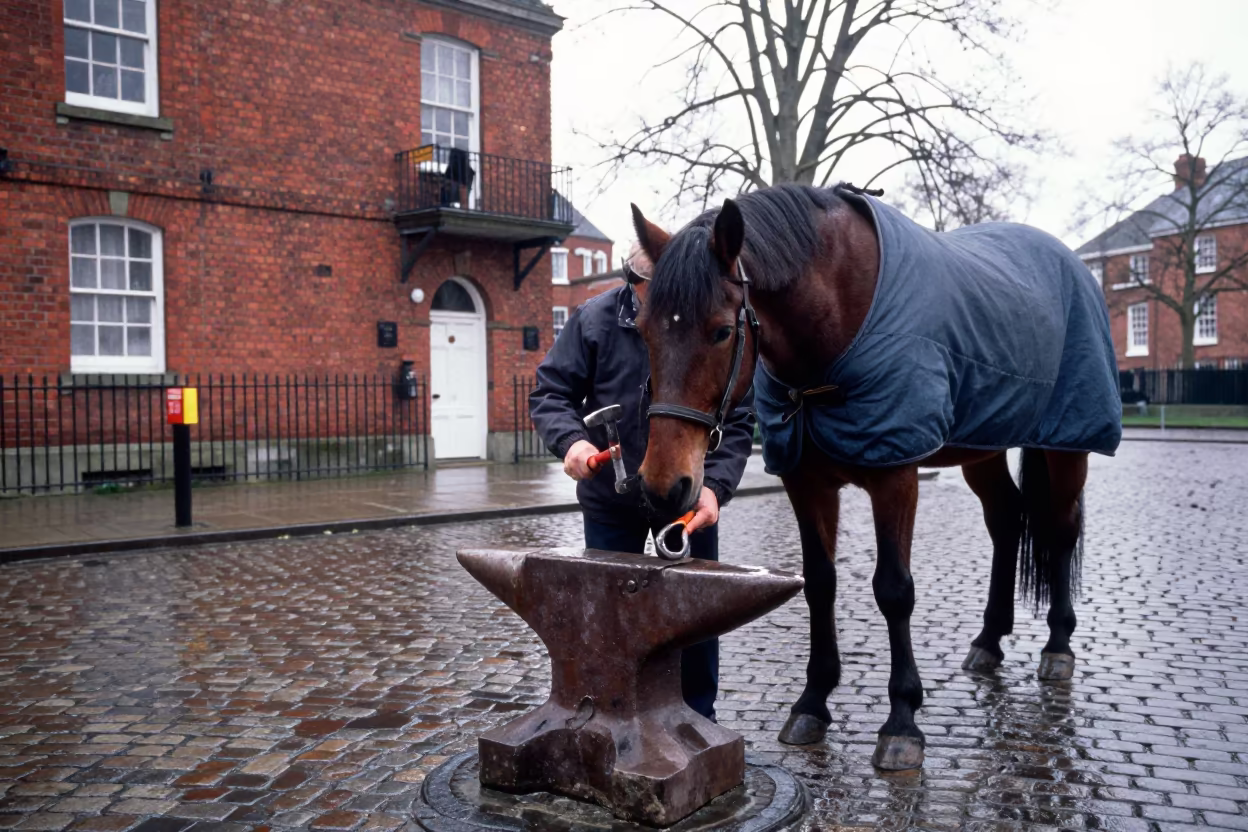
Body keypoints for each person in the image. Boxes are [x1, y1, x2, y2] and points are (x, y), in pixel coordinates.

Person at [528, 245, 756, 721]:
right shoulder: (594, 320)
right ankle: (613, 718)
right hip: (612, 496)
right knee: (611, 616)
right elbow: (550, 391)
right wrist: (572, 443)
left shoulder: (698, 321)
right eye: (658, 290)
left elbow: (736, 417)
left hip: (686, 499)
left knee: (695, 614)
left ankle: (697, 718)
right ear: (633, 283)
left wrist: (715, 487)